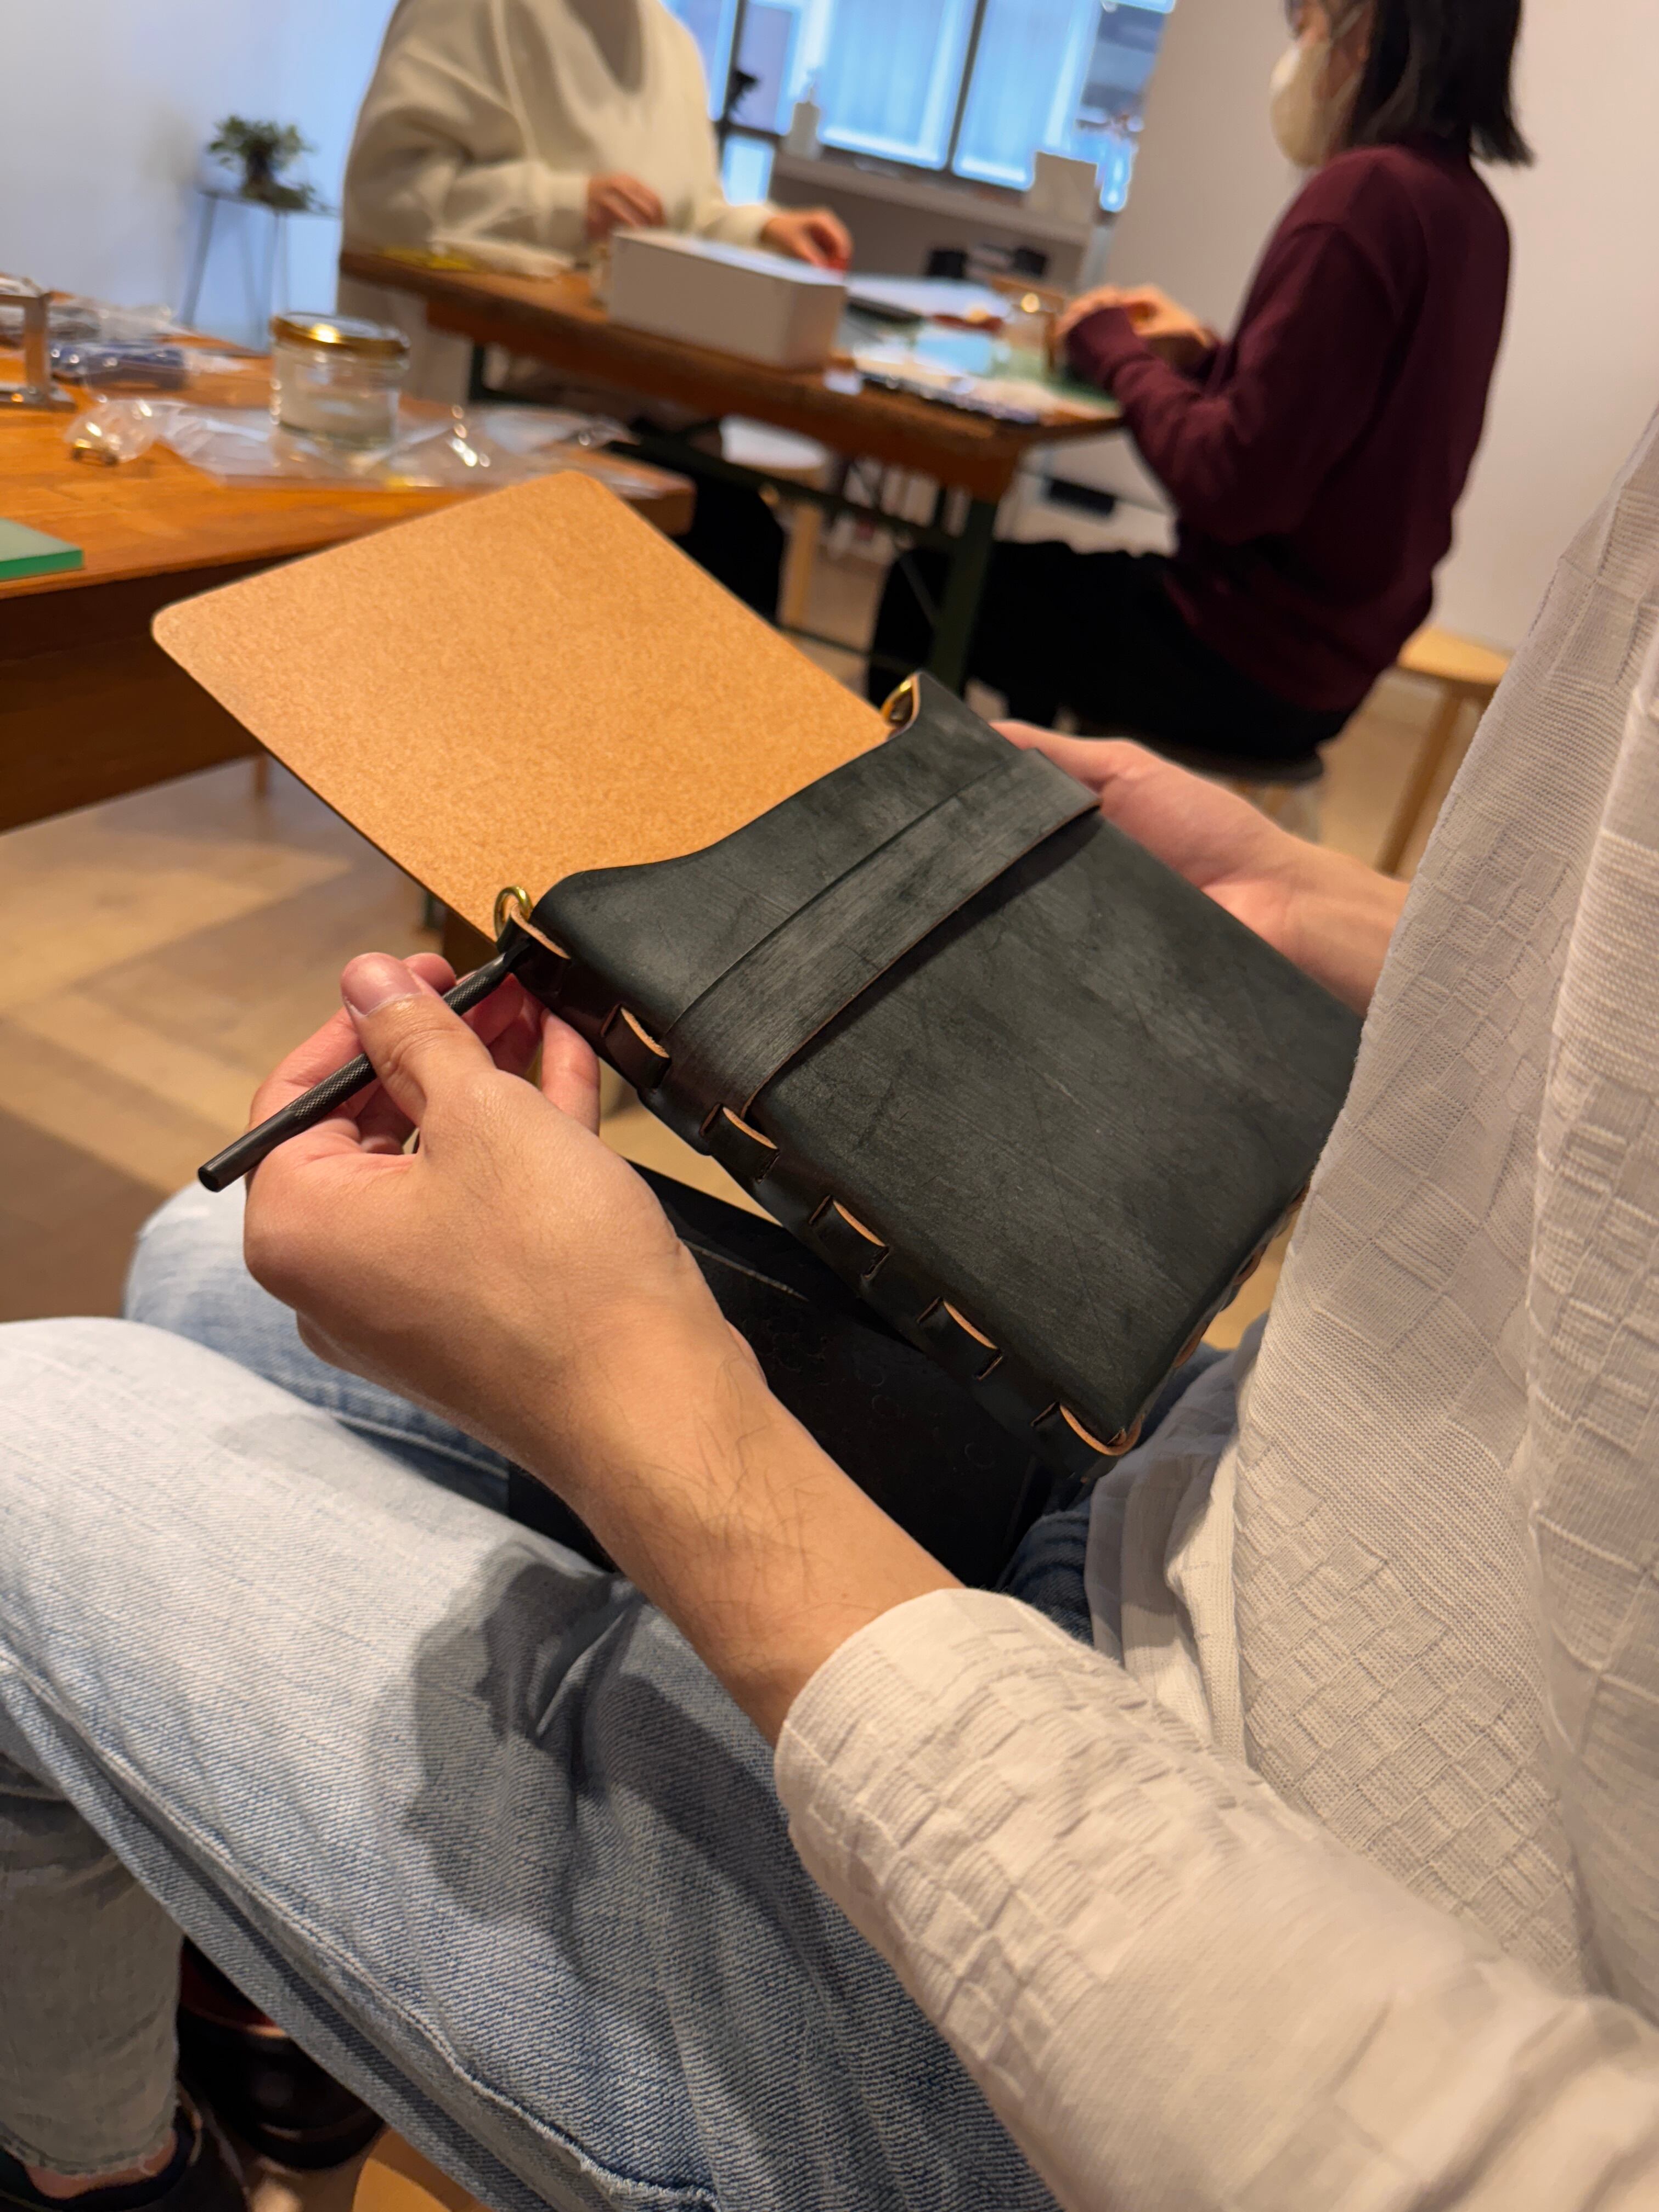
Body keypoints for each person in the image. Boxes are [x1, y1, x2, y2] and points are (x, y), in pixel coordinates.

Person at [6, 401, 1659, 2207]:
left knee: (24, 1447)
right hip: (1223, 1509)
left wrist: (650, 1411)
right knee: (205, 1267)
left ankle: (114, 2175)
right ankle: (275, 2027)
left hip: (1173, 2017)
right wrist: (1321, 911)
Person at [871, 0, 1526, 764]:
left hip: (1236, 657)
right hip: (1334, 670)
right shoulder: (1472, 215)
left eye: (1309, 26)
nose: (1300, 49)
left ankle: (882, 817)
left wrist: (1112, 347)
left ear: (1368, 30)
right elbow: (1339, 430)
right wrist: (1211, 361)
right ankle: (1029, 795)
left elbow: (1228, 484)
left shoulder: (1363, 197)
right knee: (1041, 602)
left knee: (927, 586)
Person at [338, 0, 852, 616]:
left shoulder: (669, 41)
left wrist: (761, 232)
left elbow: (681, 218)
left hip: (645, 416)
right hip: (494, 415)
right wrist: (565, 204)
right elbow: (389, 194)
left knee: (741, 544)